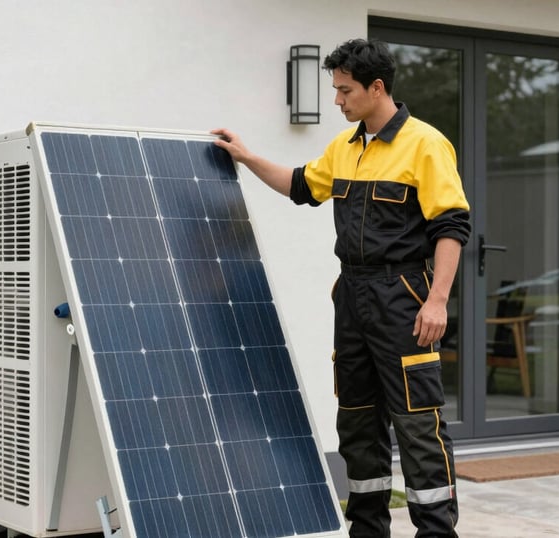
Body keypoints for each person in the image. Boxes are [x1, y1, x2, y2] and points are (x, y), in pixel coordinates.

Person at [212, 38, 469, 538]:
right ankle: (367, 530)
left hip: (404, 296)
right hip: (351, 297)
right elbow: (300, 186)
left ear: (377, 88)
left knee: (417, 422)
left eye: (345, 90)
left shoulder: (425, 144)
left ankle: (436, 531)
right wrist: (245, 157)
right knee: (356, 420)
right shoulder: (346, 147)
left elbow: (451, 227)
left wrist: (438, 299)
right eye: (335, 90)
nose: (338, 101)